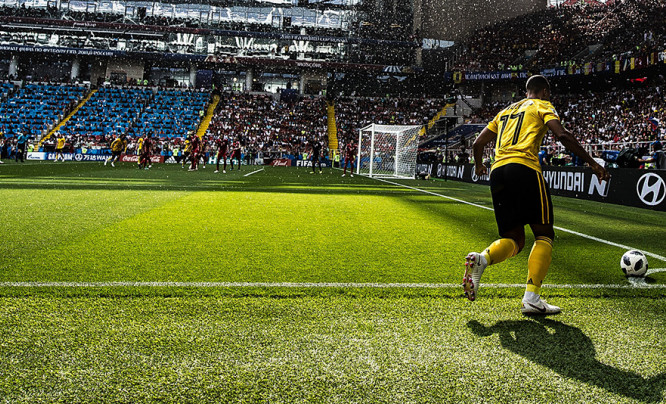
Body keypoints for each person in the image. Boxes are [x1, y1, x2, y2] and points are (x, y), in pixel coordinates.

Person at [463, 75, 609, 315]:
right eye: (548, 94)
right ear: (543, 91)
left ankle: (483, 258)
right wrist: (592, 163)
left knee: (515, 239)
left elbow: (478, 143)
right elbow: (562, 135)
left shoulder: (505, 111)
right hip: (525, 168)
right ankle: (532, 298)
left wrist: (479, 166)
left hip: (498, 172)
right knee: (544, 234)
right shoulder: (543, 105)